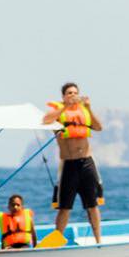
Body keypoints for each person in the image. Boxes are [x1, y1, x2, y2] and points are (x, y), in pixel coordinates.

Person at [43, 83, 104, 244]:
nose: (72, 95)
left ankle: (99, 240)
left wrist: (89, 108)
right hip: (69, 165)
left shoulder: (84, 112)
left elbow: (99, 127)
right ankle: (56, 241)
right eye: (69, 93)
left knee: (92, 205)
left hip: (87, 163)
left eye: (75, 93)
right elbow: (45, 121)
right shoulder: (58, 113)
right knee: (65, 207)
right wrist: (65, 107)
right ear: (63, 96)